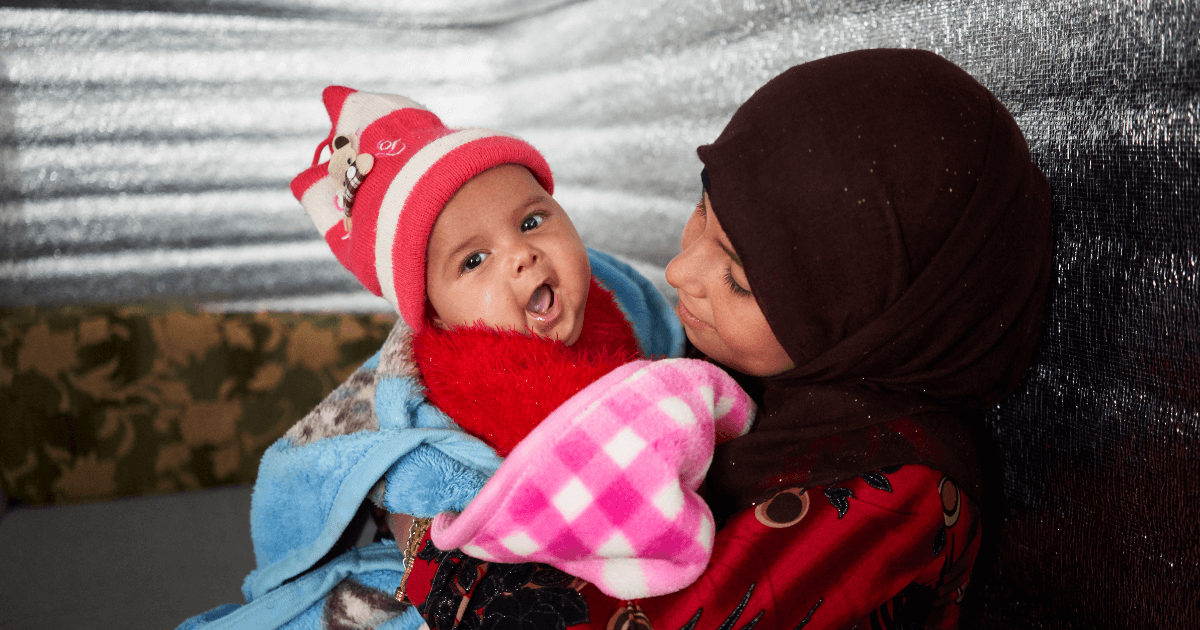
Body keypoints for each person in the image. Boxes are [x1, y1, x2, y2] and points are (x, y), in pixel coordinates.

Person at [408, 48, 1052, 630]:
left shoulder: (890, 494)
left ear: (871, 315)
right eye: (702, 211)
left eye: (739, 280)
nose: (679, 271)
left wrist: (420, 533)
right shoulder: (753, 376)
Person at [175, 87, 752, 630]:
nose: (523, 256)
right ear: (437, 314)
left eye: (533, 221)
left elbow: (661, 337)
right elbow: (586, 476)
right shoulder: (480, 376)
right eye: (474, 262)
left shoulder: (609, 289)